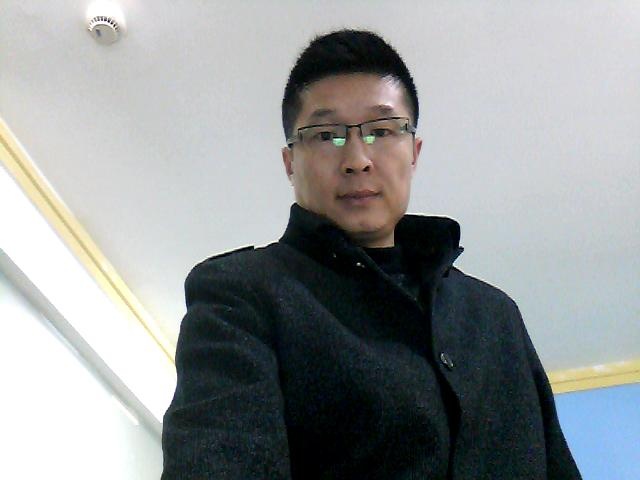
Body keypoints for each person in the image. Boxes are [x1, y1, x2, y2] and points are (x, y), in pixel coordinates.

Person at [161, 29, 581, 479]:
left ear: (414, 152)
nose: (357, 159)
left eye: (382, 130)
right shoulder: (243, 293)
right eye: (326, 135)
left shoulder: (496, 317)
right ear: (289, 163)